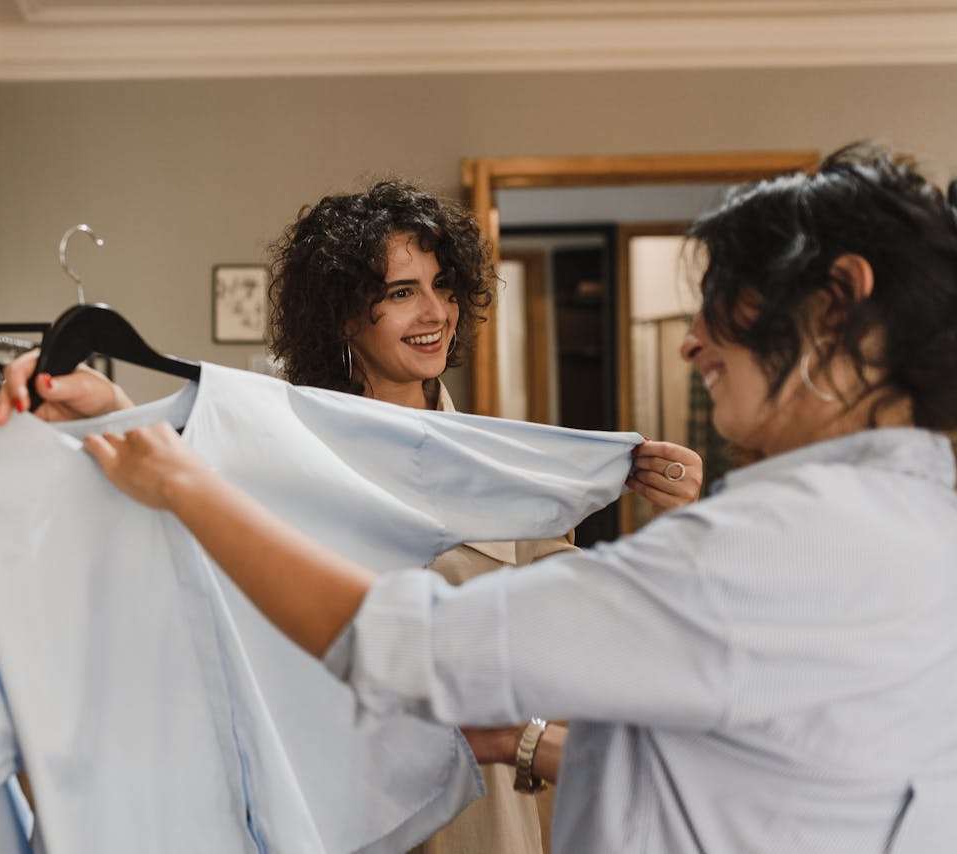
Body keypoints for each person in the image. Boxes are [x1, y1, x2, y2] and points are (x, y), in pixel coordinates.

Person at [77, 143, 957, 852]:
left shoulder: (759, 545)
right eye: (398, 293)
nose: (691, 344)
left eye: (722, 303)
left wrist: (184, 486)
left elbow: (415, 647)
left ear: (835, 304)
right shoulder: (918, 523)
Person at [0, 179, 704, 852]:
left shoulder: (501, 478)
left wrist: (682, 529)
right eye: (403, 291)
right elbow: (197, 559)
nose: (435, 313)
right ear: (347, 316)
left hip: (479, 816)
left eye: (444, 287)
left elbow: (601, 652)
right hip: (325, 809)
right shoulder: (278, 451)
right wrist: (116, 416)